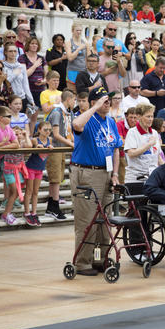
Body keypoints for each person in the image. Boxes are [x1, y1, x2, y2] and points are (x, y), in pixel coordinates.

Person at [69, 87, 123, 276]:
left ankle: (99, 258)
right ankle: (83, 262)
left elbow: (116, 148)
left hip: (106, 174)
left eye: (108, 100)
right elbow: (76, 124)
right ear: (93, 102)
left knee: (103, 220)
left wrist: (115, 173)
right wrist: (95, 107)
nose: (107, 103)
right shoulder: (87, 118)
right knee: (87, 220)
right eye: (103, 100)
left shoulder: (111, 121)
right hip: (87, 173)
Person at [46, 89, 74, 220]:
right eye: (74, 99)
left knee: (57, 179)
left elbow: (69, 132)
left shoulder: (68, 112)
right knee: (55, 178)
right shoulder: (57, 112)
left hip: (61, 148)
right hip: (54, 148)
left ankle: (51, 207)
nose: (75, 102)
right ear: (68, 99)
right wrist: (71, 143)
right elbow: (56, 134)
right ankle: (55, 207)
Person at [24, 121, 52, 226]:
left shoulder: (50, 140)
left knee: (35, 191)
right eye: (45, 129)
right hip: (31, 168)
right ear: (39, 130)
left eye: (49, 130)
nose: (48, 132)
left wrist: (49, 148)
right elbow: (34, 145)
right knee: (29, 191)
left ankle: (34, 212)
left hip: (40, 169)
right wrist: (38, 146)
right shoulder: (35, 140)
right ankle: (27, 212)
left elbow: (47, 152)